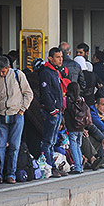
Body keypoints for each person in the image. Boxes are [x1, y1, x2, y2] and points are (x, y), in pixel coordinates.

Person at [0, 56, 33, 184]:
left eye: (4, 71)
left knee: (14, 146)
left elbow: (28, 93)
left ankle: (11, 174)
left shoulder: (18, 75)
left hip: (17, 114)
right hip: (0, 116)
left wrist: (23, 109)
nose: (1, 73)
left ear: (8, 68)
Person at [38, 47, 65, 178]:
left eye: (61, 57)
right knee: (47, 141)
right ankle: (48, 166)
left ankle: (52, 166)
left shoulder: (55, 72)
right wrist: (52, 110)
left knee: (53, 141)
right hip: (51, 112)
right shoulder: (46, 72)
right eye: (58, 57)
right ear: (50, 58)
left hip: (58, 111)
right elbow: (46, 93)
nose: (61, 60)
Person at [64, 82, 90, 174]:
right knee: (78, 146)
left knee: (74, 147)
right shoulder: (81, 99)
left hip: (72, 126)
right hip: (81, 126)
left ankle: (77, 167)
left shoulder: (68, 99)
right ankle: (80, 166)